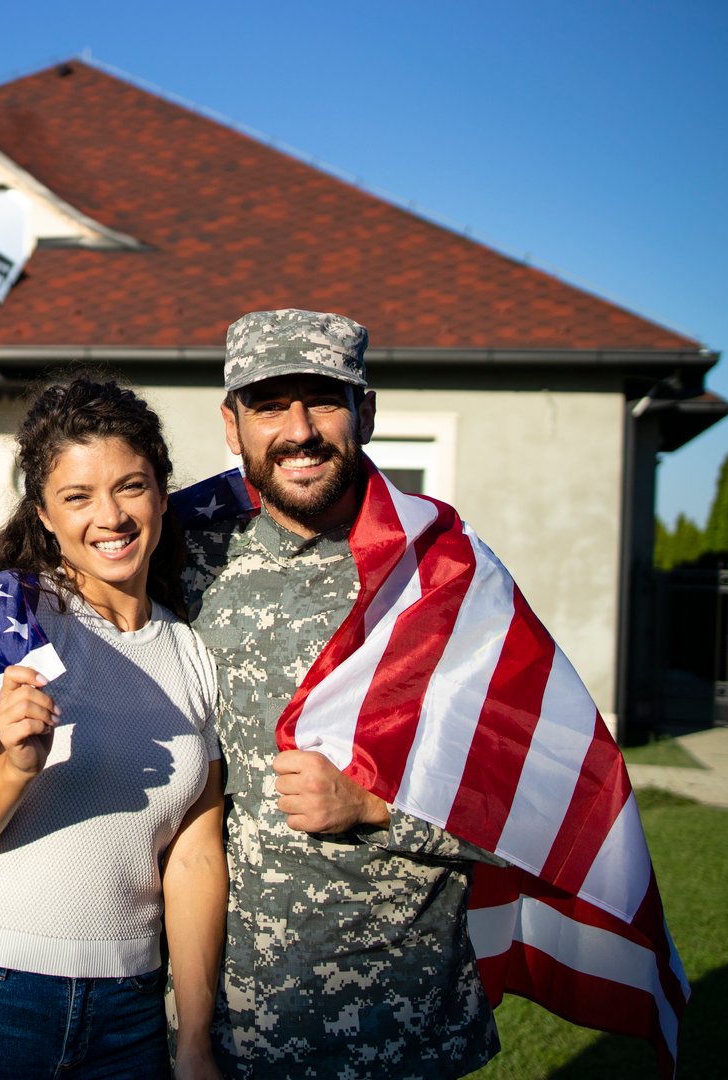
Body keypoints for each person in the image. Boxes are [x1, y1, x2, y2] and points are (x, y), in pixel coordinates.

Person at [0, 376, 230, 1079]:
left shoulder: (192, 652)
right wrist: (15, 766)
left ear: (162, 492)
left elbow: (194, 856)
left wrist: (192, 1036)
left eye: (130, 486)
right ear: (43, 513)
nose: (112, 516)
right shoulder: (17, 632)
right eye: (78, 497)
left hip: (131, 1007)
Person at [183, 310, 500, 1078]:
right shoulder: (183, 556)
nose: (299, 430)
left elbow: (531, 797)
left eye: (324, 399)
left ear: (367, 411)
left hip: (398, 1028)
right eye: (268, 405)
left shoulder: (441, 573)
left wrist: (375, 808)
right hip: (231, 1024)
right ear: (232, 426)